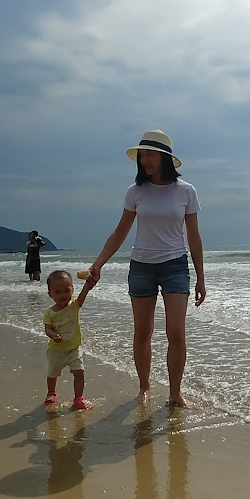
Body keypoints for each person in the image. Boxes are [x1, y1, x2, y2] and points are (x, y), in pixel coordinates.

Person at [89, 129, 205, 407]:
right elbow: (120, 232)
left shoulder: (186, 191)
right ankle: (144, 388)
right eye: (141, 155)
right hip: (141, 266)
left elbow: (194, 236)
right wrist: (98, 263)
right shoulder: (135, 192)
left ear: (164, 157)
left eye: (149, 155)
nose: (144, 161)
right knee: (142, 331)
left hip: (176, 266)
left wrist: (201, 277)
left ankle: (175, 394)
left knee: (176, 332)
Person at [44, 269, 97, 409]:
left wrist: (87, 285)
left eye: (66, 290)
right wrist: (53, 336)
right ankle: (51, 393)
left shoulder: (74, 305)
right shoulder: (50, 312)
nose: (63, 295)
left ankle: (78, 399)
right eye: (57, 292)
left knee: (79, 372)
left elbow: (83, 295)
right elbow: (47, 329)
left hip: (74, 348)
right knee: (52, 373)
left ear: (72, 289)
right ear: (50, 294)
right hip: (57, 350)